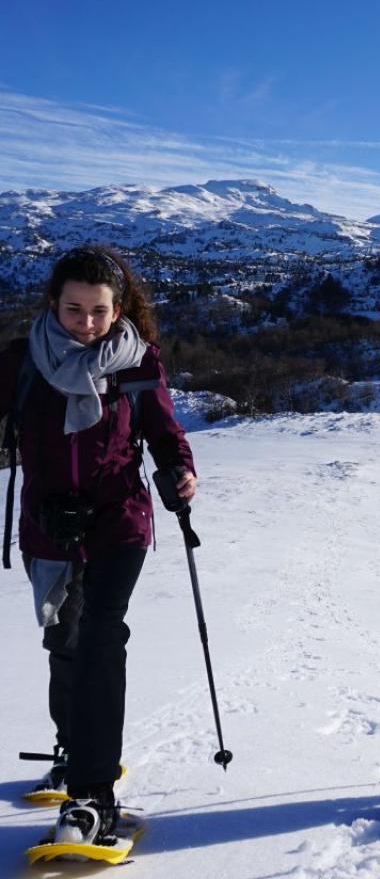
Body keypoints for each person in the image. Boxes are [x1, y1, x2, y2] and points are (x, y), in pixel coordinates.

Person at [0, 245, 196, 845]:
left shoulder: (138, 365)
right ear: (53, 304)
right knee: (64, 639)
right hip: (47, 529)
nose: (87, 323)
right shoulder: (19, 364)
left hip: (119, 523)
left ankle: (93, 796)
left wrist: (180, 471)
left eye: (99, 311)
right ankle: (74, 743)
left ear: (119, 308)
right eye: (74, 310)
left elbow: (164, 432)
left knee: (101, 637)